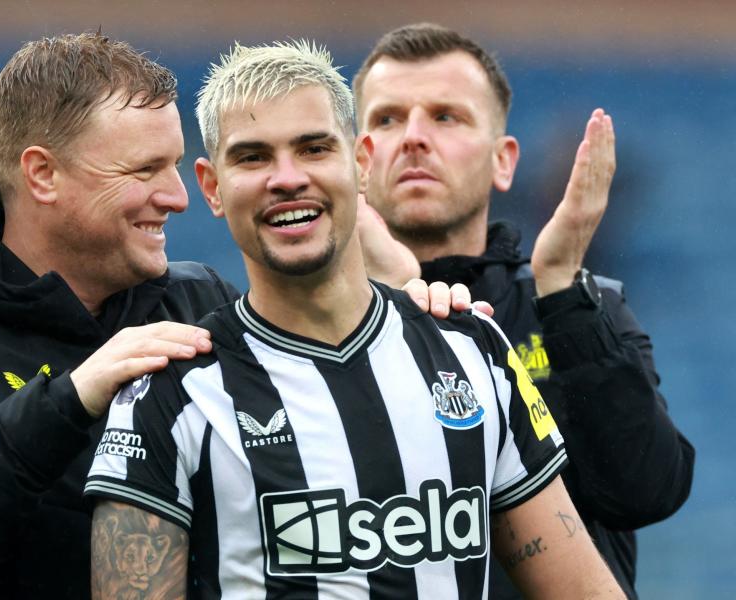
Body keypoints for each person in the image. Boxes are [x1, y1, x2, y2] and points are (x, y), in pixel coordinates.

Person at [0, 33, 474, 600]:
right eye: (144, 170)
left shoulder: (199, 301)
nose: (178, 197)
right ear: (43, 175)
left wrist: (410, 306)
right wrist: (65, 404)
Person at [86, 40, 625, 599]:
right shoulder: (167, 395)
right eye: (253, 157)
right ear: (212, 187)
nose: (287, 178)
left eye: (314, 149)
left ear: (360, 163)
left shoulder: (475, 350)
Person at [352, 23, 695, 599]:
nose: (412, 137)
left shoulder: (584, 308)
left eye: (445, 116)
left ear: (503, 161)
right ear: (358, 163)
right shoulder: (305, 326)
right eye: (386, 119)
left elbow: (648, 491)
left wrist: (561, 291)